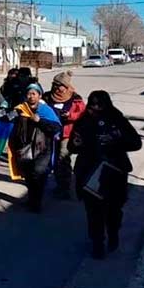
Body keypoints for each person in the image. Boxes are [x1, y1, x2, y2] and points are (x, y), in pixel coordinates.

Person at [69, 91, 142, 259]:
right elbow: (73, 148)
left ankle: (113, 233)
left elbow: (136, 143)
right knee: (94, 211)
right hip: (89, 172)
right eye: (92, 104)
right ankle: (97, 243)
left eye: (99, 105)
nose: (95, 108)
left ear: (106, 105)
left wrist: (114, 139)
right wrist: (76, 143)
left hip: (114, 172)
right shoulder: (83, 121)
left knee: (114, 210)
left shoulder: (117, 119)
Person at [7, 83, 62, 212]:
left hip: (42, 148)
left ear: (39, 95)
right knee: (28, 175)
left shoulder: (45, 110)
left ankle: (36, 203)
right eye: (28, 94)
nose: (31, 97)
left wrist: (40, 121)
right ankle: (32, 199)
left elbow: (56, 128)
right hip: (24, 148)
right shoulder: (20, 109)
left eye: (34, 94)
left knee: (38, 173)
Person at [44, 70, 86, 200]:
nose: (58, 88)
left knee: (63, 158)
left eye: (61, 86)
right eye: (55, 85)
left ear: (66, 87)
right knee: (52, 159)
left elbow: (83, 114)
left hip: (66, 134)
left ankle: (65, 187)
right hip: (50, 133)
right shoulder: (46, 97)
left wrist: (70, 116)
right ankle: (58, 183)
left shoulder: (75, 99)